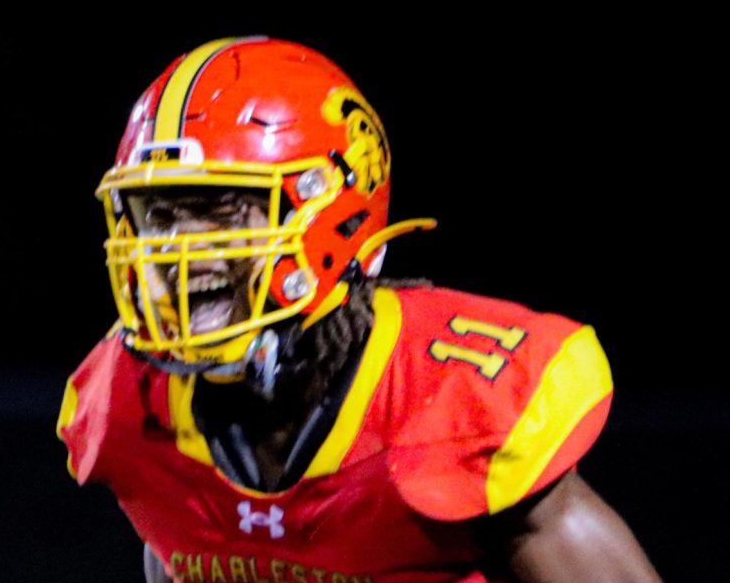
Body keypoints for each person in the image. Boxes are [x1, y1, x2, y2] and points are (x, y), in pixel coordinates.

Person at [56, 36, 662, 583]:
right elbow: (182, 540)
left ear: (333, 211)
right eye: (158, 215)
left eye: (217, 207)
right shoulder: (130, 402)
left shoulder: (449, 395)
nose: (176, 248)